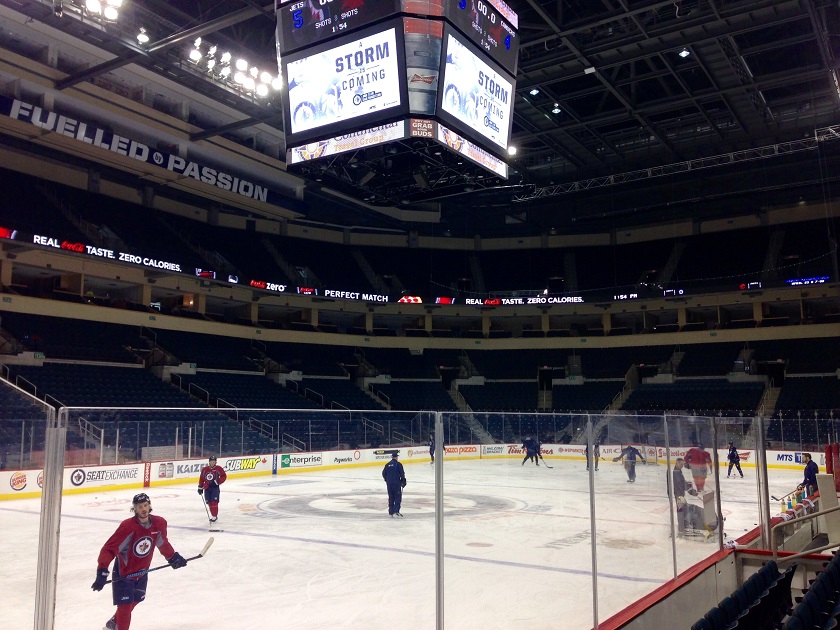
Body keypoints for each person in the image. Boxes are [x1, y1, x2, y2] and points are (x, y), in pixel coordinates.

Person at [91, 493, 187, 630]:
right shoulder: (128, 527)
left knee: (135, 600)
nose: (143, 509)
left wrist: (173, 557)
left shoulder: (159, 523)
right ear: (135, 509)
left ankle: (113, 622)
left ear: (149, 506)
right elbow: (109, 549)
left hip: (142, 572)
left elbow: (162, 543)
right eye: (140, 507)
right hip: (124, 573)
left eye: (146, 506)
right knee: (124, 608)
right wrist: (102, 570)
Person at [197, 455, 227, 522]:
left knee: (214, 502)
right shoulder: (204, 469)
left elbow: (224, 476)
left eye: (214, 461)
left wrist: (217, 482)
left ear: (216, 462)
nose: (212, 463)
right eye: (211, 461)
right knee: (209, 502)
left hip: (215, 488)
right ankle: (213, 515)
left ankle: (214, 516)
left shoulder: (218, 468)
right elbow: (201, 478)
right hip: (207, 488)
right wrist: (200, 487)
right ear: (209, 462)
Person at [382, 451, 406, 517]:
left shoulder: (387, 464)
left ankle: (391, 512)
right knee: (397, 497)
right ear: (396, 457)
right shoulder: (398, 464)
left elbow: (384, 473)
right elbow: (402, 474)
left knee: (391, 497)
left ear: (392, 457)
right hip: (396, 483)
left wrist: (387, 480)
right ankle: (396, 511)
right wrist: (403, 481)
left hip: (389, 484)